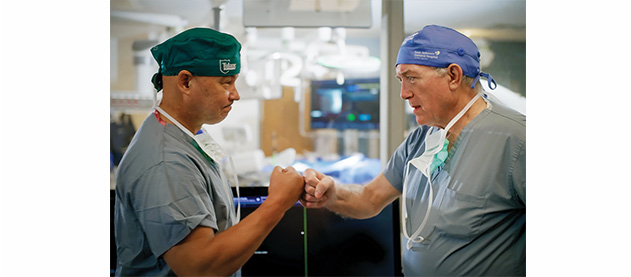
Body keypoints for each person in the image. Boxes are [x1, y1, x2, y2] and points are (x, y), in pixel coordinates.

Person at [301, 25, 525, 276]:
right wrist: (332, 193)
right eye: (400, 80)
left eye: (412, 78)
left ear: (453, 76)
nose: (404, 93)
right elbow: (370, 198)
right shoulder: (421, 139)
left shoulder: (517, 140)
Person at [114, 27, 305, 276]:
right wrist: (278, 202)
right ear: (185, 82)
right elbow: (200, 267)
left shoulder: (185, 136)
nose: (235, 95)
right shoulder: (166, 162)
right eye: (226, 82)